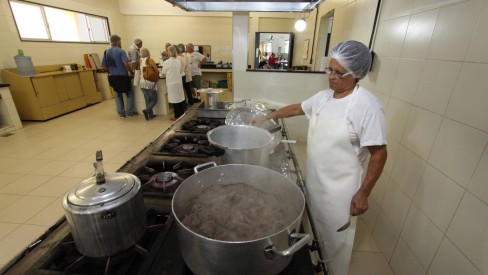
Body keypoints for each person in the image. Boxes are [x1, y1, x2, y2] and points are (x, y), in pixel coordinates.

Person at [252, 40, 387, 275]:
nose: (331, 77)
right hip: (315, 180)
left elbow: (379, 153)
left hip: (340, 192)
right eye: (330, 70)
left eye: (339, 72)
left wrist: (364, 192)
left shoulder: (366, 106)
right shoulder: (325, 97)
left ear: (356, 74)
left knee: (335, 243)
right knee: (314, 232)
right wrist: (267, 117)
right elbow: (297, 108)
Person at [102, 34, 135, 118]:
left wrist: (109, 71)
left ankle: (121, 113)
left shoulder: (106, 51)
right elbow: (126, 64)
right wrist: (131, 72)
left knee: (118, 94)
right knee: (129, 93)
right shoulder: (121, 51)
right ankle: (129, 111)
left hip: (113, 76)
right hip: (123, 76)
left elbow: (103, 65)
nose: (121, 43)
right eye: (120, 41)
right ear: (118, 42)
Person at [162, 46, 187, 121]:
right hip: (178, 82)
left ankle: (176, 116)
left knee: (174, 100)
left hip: (171, 83)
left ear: (169, 53)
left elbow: (163, 72)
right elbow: (180, 69)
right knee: (179, 98)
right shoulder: (178, 60)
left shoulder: (166, 62)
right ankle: (181, 114)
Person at [139, 48, 158, 120]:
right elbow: (156, 70)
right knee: (154, 99)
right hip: (149, 82)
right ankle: (147, 111)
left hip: (142, 82)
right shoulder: (150, 60)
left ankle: (150, 115)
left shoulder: (140, 60)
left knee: (147, 99)